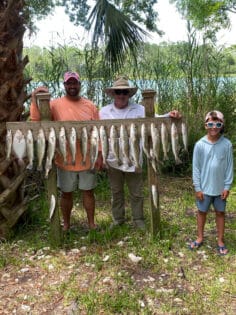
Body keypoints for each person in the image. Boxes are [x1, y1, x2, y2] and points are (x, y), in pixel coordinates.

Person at [99, 76, 181, 229]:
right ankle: (118, 219)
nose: (122, 95)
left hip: (134, 158)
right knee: (116, 192)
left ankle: (138, 219)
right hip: (112, 158)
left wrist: (171, 115)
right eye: (118, 92)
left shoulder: (140, 109)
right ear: (113, 94)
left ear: (129, 94)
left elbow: (156, 120)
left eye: (125, 92)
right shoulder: (103, 112)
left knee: (136, 192)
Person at [30, 71, 102, 231]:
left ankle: (91, 224)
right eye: (69, 83)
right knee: (66, 193)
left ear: (79, 84)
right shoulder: (54, 105)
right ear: (64, 86)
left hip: (87, 157)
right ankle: (66, 225)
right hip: (64, 159)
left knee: (88, 192)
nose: (72, 86)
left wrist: (100, 154)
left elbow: (98, 132)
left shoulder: (90, 105)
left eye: (74, 83)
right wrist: (34, 98)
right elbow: (36, 120)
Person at [190, 110, 233, 255]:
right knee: (202, 212)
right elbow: (196, 168)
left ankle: (220, 240)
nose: (213, 127)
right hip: (204, 188)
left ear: (222, 125)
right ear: (205, 125)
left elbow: (229, 167)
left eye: (217, 124)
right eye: (210, 123)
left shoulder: (226, 144)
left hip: (220, 189)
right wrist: (198, 187)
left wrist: (227, 186)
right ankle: (200, 237)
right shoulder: (199, 145)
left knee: (220, 213)